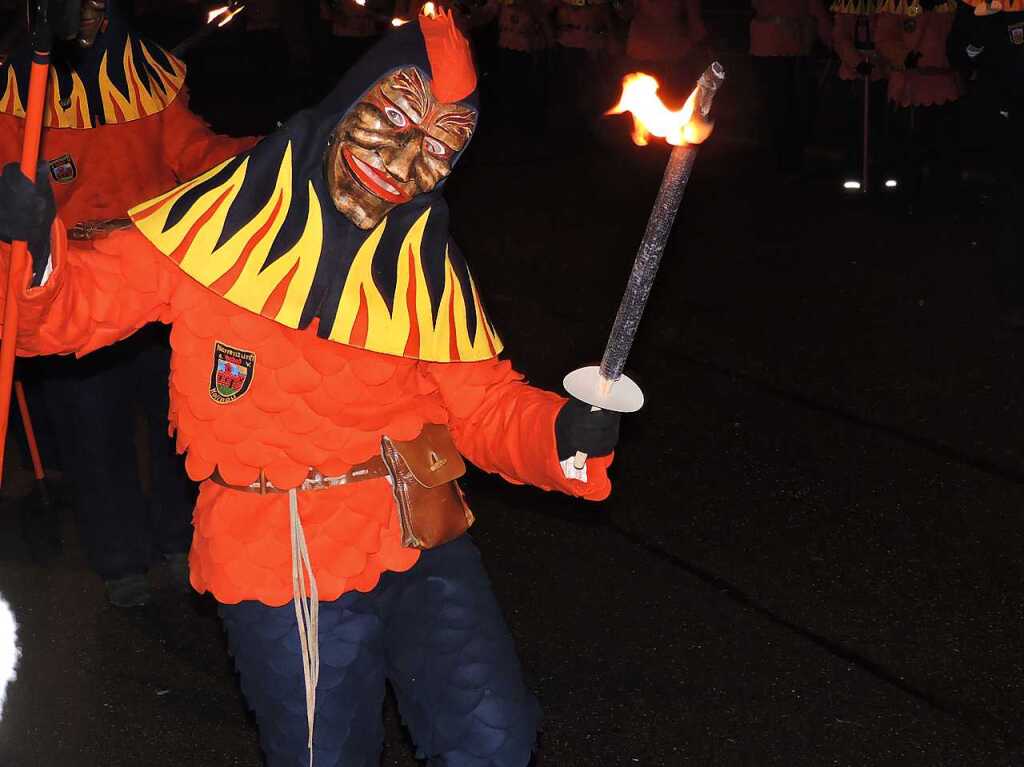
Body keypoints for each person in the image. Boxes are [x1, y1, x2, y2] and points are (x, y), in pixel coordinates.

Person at [0, 9, 621, 765]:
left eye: (440, 148)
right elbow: (68, 312)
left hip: (419, 529)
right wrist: (35, 254)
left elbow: (485, 405)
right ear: (349, 101)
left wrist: (561, 433)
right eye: (394, 117)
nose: (403, 161)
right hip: (281, 553)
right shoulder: (218, 219)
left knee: (494, 738)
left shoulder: (424, 262)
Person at [0, 0, 258, 607]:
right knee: (94, 430)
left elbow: (194, 152)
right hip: (73, 283)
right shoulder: (19, 87)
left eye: (96, 3)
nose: (86, 16)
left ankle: (176, 536)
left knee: (178, 420)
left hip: (154, 273)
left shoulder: (150, 77)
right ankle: (119, 559)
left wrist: (265, 159)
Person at [952, 0, 1024, 324]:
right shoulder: (981, 4)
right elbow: (960, 52)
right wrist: (979, 35)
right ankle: (1014, 295)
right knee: (1014, 205)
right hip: (1009, 117)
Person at [876, 0, 962, 203]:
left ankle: (942, 199)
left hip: (945, 86)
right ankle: (906, 198)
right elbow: (883, 38)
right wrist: (905, 57)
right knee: (907, 151)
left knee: (943, 150)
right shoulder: (897, 3)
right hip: (909, 87)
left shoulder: (951, 4)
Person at [750, 0, 832, 174]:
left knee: (787, 105)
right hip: (780, 45)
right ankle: (785, 160)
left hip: (790, 45)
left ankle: (787, 159)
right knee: (784, 106)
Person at [832, 0, 891, 188]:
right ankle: (852, 173)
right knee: (853, 126)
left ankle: (879, 173)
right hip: (854, 74)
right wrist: (856, 62)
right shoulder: (849, 5)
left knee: (879, 125)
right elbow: (841, 36)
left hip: (880, 72)